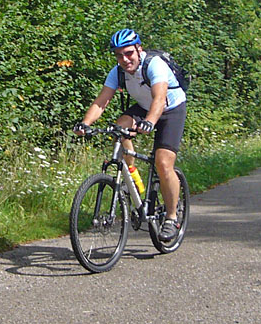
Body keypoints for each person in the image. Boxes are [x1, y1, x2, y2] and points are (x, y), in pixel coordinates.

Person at [72, 29, 187, 242]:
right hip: (144, 107)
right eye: (118, 55)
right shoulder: (117, 72)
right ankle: (131, 173)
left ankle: (171, 217)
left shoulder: (154, 65)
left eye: (128, 53)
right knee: (120, 127)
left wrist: (150, 122)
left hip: (171, 109)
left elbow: (160, 99)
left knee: (163, 163)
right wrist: (85, 124)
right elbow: (102, 101)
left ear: (139, 49)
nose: (124, 59)